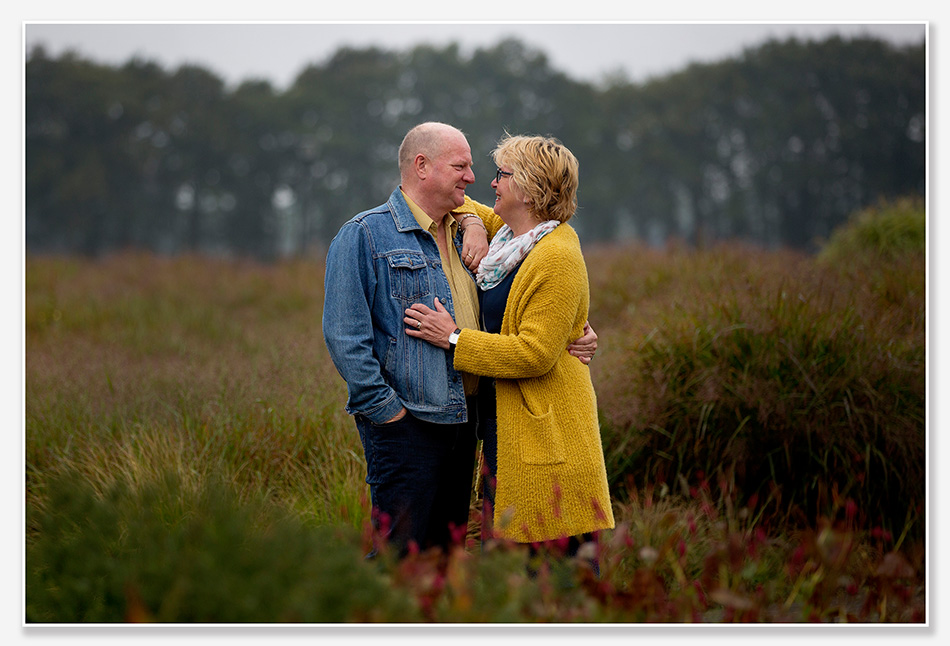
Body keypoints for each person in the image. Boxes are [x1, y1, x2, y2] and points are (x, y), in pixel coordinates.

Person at [322, 122, 597, 559]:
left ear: (528, 188)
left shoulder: (532, 245)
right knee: (401, 558)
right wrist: (388, 413)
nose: (477, 179)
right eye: (462, 166)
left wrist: (573, 329)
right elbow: (345, 337)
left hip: (486, 423)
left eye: (496, 173)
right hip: (410, 423)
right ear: (422, 165)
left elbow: (535, 334)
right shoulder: (369, 235)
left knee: (460, 559)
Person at [404, 133, 615, 561]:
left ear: (531, 187)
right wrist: (476, 226)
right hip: (507, 428)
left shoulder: (556, 255)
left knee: (556, 576)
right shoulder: (511, 238)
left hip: (548, 437)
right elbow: (454, 202)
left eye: (503, 175)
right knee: (517, 575)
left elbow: (534, 353)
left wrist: (453, 337)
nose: (492, 183)